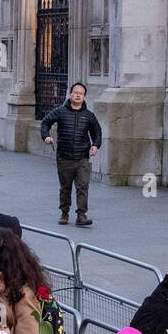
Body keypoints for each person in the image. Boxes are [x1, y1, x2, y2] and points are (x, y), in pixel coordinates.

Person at [40, 81, 102, 227]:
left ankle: (81, 215)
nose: (78, 95)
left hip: (82, 158)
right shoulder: (60, 111)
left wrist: (95, 145)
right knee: (65, 187)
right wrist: (46, 136)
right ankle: (64, 213)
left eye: (81, 93)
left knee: (83, 186)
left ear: (84, 97)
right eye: (75, 92)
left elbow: (97, 132)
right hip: (64, 157)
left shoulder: (89, 116)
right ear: (70, 94)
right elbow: (45, 122)